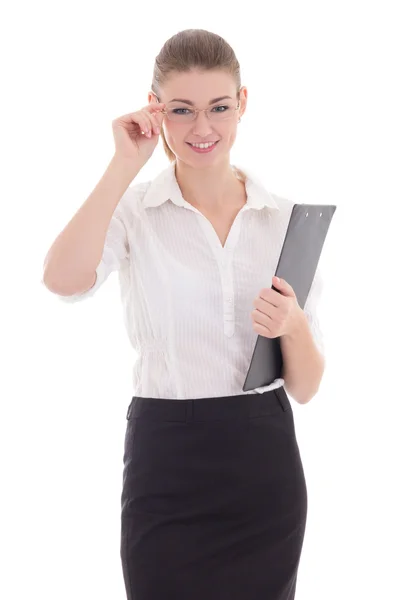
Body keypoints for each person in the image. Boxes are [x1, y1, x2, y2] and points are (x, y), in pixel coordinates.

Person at [42, 28, 326, 600]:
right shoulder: (134, 211)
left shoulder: (283, 218)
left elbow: (307, 387)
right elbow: (61, 280)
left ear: (242, 103)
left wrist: (292, 325)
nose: (202, 129)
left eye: (219, 107)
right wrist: (125, 164)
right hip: (165, 457)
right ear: (156, 111)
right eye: (182, 110)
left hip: (262, 460)